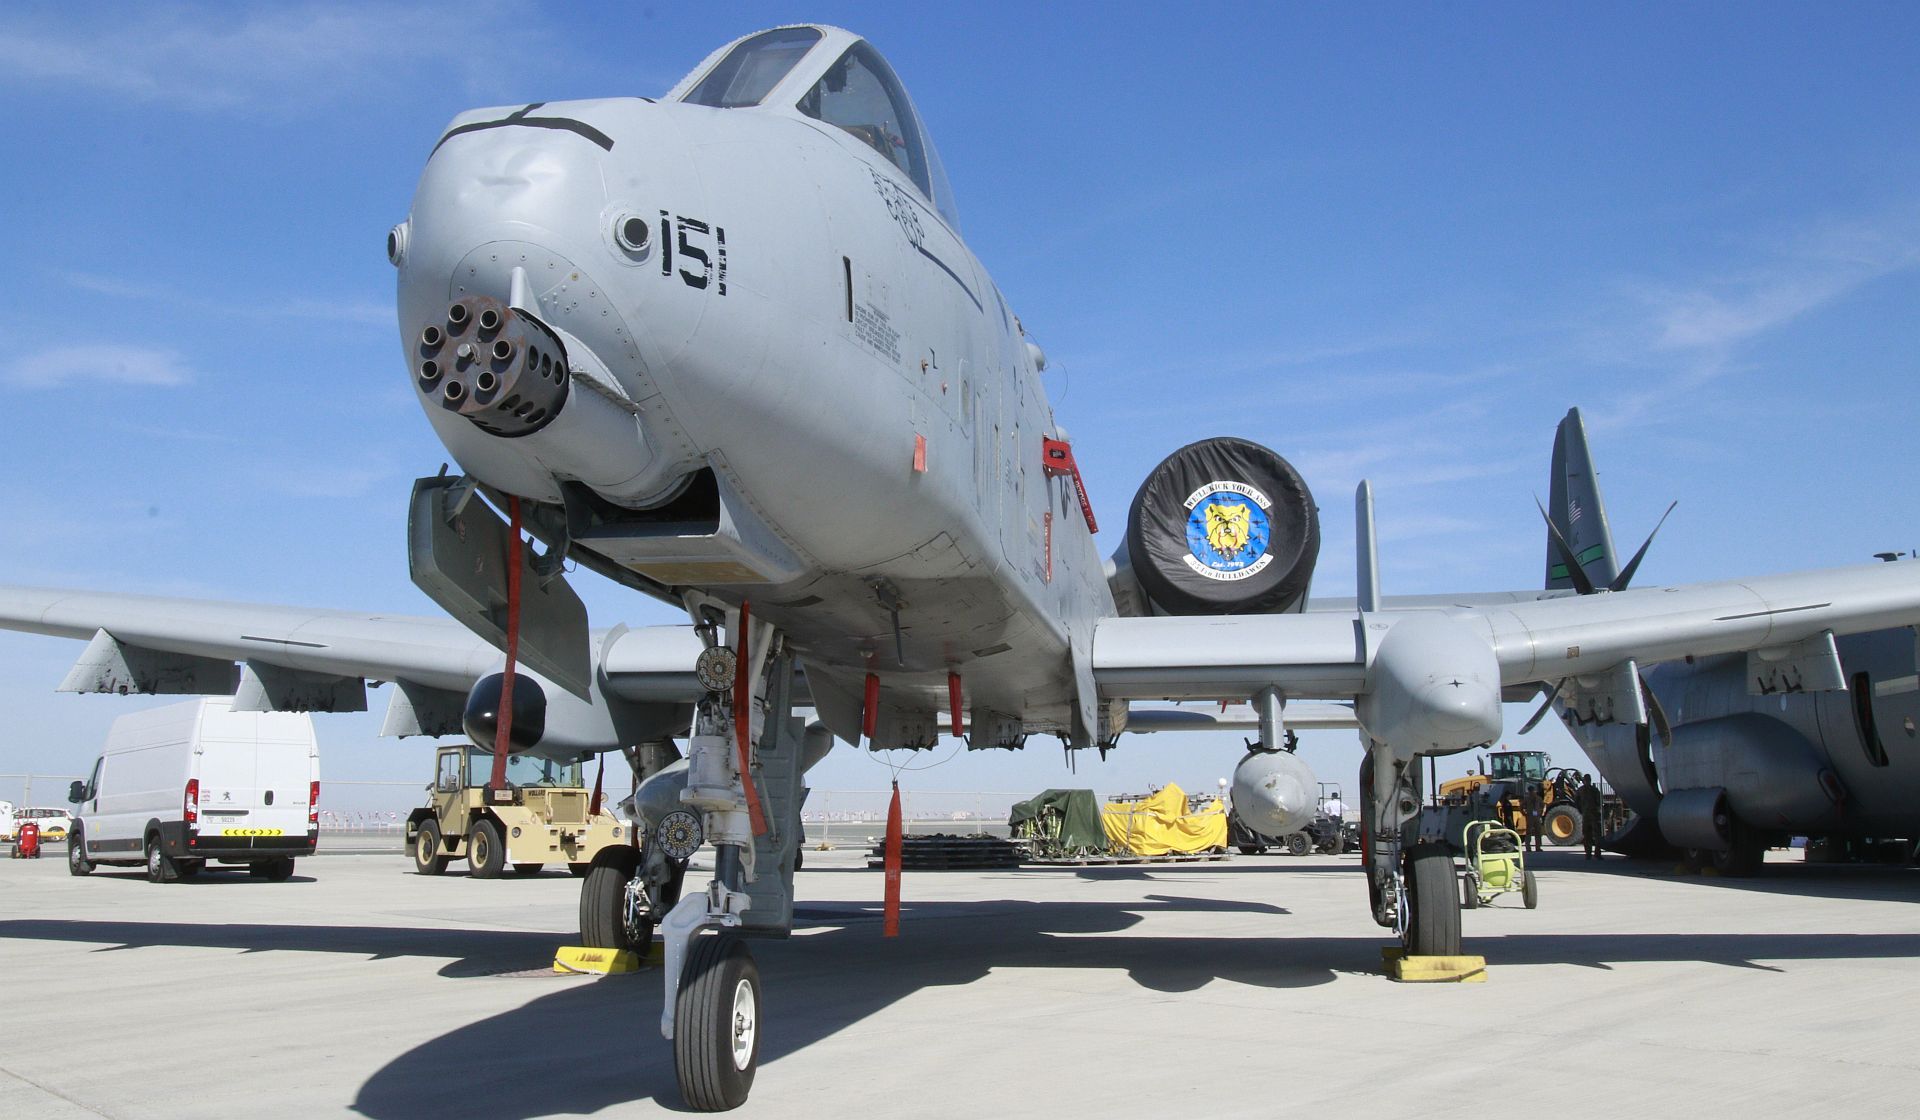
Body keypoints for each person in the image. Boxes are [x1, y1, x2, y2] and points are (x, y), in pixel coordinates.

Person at [1577, 774, 1605, 860]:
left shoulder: (1580, 790)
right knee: (1596, 835)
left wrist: (1581, 810)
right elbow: (1599, 802)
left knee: (1587, 835)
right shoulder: (1594, 790)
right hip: (1594, 815)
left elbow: (1576, 802)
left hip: (1586, 815)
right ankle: (1596, 853)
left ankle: (1588, 853)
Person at [1520, 782, 1545, 852]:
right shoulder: (1528, 798)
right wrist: (1524, 814)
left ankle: (1536, 847)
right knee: (1532, 832)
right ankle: (1531, 847)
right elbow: (1521, 807)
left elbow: (1542, 806)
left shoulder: (1537, 798)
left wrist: (1524, 813)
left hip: (1533, 817)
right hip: (1532, 817)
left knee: (1536, 832)